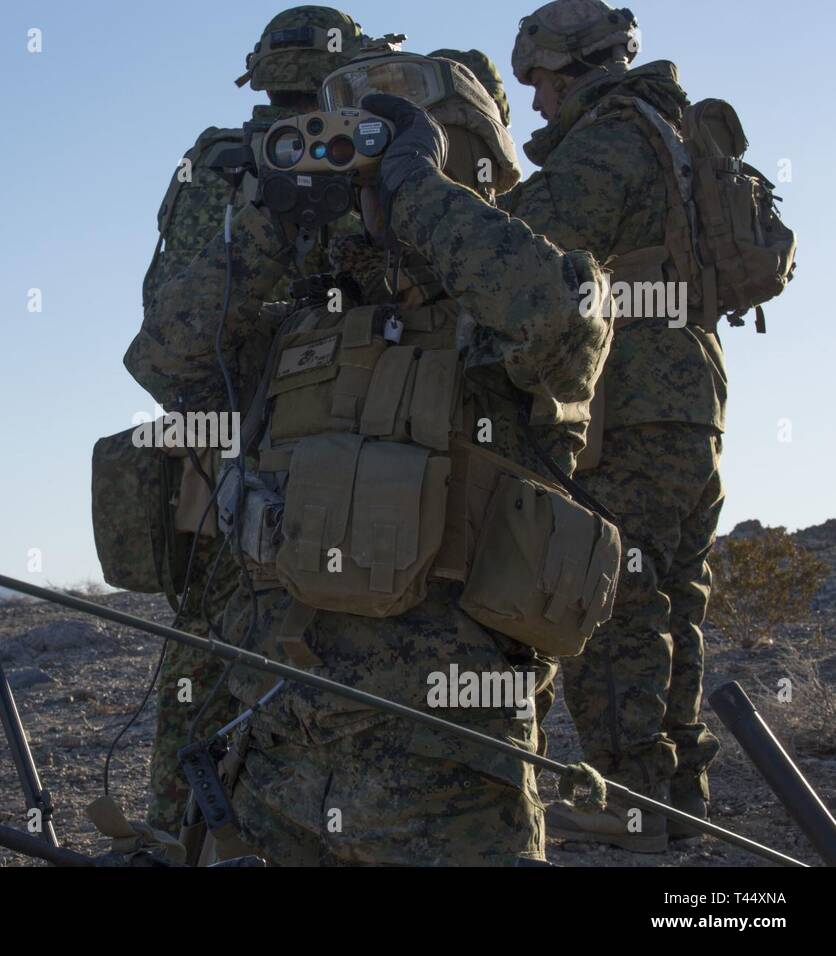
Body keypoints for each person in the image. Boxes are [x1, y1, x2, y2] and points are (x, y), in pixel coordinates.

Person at [127, 51, 617, 864]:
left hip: (446, 772)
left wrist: (417, 191)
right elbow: (166, 361)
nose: (361, 170)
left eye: (384, 144)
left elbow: (558, 322)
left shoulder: (523, 297)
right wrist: (270, 222)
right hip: (277, 755)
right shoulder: (302, 312)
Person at [139, 5, 372, 834]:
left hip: (333, 448)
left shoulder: (379, 155)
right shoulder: (232, 169)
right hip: (264, 450)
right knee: (217, 654)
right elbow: (169, 334)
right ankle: (190, 832)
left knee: (217, 658)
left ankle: (189, 834)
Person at [499, 0, 724, 851]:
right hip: (691, 401)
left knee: (616, 600)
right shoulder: (670, 133)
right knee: (674, 594)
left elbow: (525, 240)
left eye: (544, 84)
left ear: (574, 68)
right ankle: (676, 797)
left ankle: (635, 805)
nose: (539, 105)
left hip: (631, 403)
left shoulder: (610, 139)